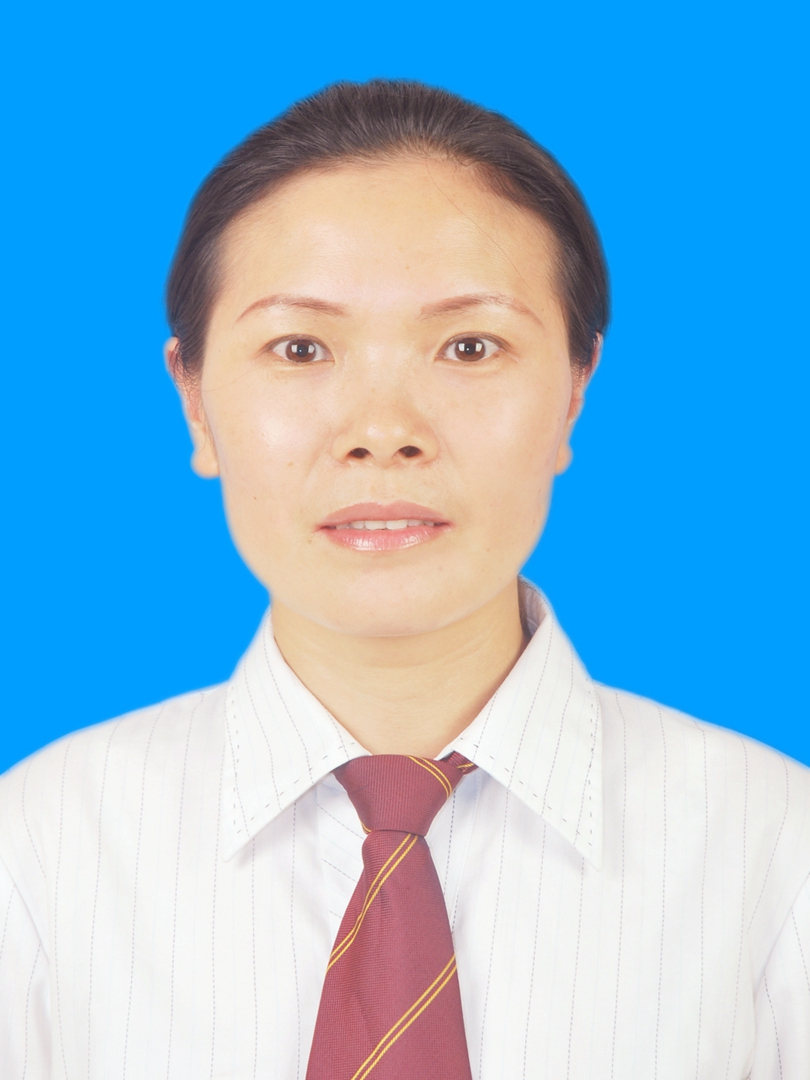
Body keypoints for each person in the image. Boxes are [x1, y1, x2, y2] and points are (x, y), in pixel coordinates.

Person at [0, 79, 808, 1080]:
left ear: (573, 392)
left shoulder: (778, 851)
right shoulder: (35, 852)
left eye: (470, 346)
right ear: (195, 403)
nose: (384, 430)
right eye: (300, 348)